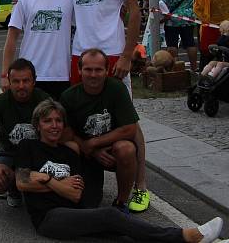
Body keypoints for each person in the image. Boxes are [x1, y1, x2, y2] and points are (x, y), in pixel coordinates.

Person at [16, 99, 224, 242]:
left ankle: (193, 239)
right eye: (47, 121)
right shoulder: (28, 146)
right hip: (48, 219)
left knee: (122, 232)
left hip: (73, 211)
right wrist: (57, 183)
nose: (54, 126)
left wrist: (44, 178)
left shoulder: (70, 153)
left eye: (58, 120)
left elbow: (75, 193)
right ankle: (186, 236)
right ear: (38, 125)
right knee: (111, 216)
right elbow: (22, 182)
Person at [63, 0, 149, 213]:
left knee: (129, 120)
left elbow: (134, 11)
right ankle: (85, 175)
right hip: (80, 54)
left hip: (113, 53)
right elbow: (64, 12)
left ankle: (141, 186)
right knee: (80, 115)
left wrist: (127, 54)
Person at [60, 48, 138, 211]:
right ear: (79, 70)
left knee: (126, 149)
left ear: (107, 70)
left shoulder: (117, 89)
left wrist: (95, 143)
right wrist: (91, 150)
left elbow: (130, 129)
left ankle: (121, 202)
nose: (93, 75)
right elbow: (65, 134)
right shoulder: (69, 96)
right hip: (84, 152)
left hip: (110, 150)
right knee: (87, 204)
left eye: (98, 70)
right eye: (88, 69)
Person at [0, 58, 50, 207]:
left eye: (26, 81)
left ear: (34, 81)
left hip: (38, 154)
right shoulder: (1, 101)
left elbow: (61, 132)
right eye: (16, 81)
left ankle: (39, 192)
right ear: (9, 82)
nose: (21, 86)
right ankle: (13, 189)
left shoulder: (44, 100)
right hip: (10, 154)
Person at [2, 0, 73, 100]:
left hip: (61, 75)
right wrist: (5, 74)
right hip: (29, 76)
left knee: (57, 122)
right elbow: (11, 39)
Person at [160, 0, 198, 71]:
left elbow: (163, 1)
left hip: (172, 18)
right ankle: (194, 67)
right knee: (190, 43)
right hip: (188, 18)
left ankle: (175, 68)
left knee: (172, 43)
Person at [194, 0, 229, 69]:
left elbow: (197, 11)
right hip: (227, 30)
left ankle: (205, 80)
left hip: (209, 31)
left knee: (206, 58)